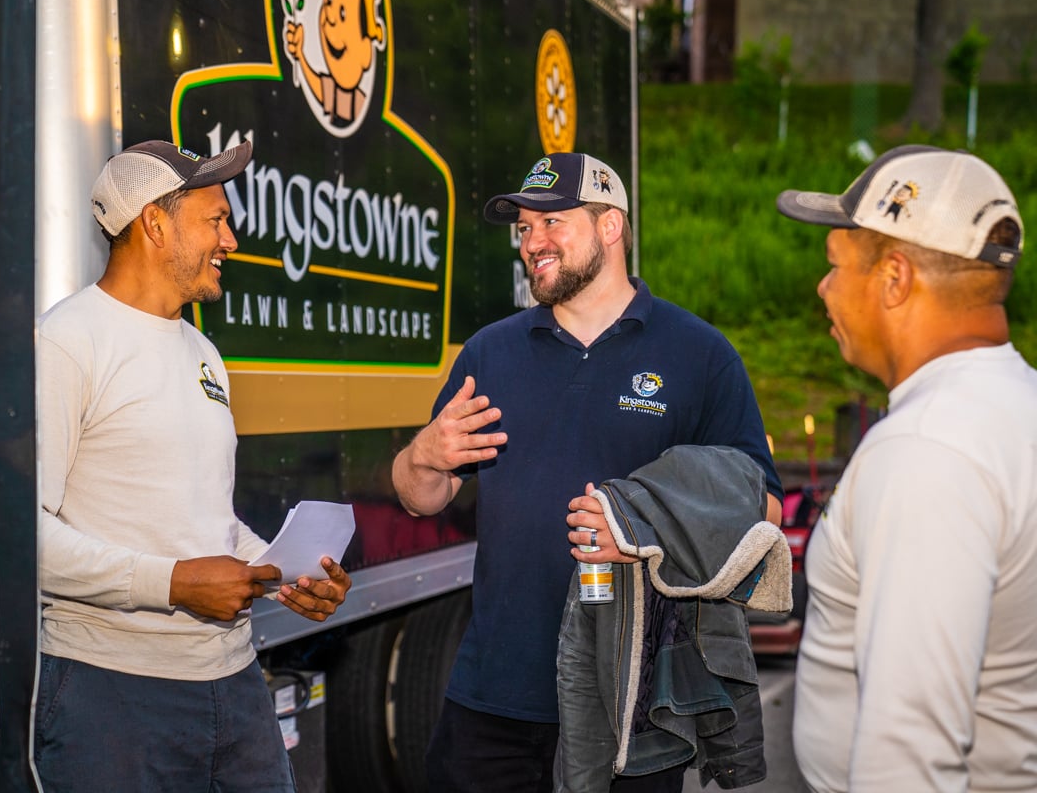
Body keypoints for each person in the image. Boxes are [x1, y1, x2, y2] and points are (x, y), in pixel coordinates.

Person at [391, 151, 783, 792]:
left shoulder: (697, 355)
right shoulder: (491, 351)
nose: (532, 242)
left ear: (610, 226)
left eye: (552, 223)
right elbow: (420, 500)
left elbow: (761, 506)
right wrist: (423, 456)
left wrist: (641, 535)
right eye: (524, 229)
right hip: (493, 694)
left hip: (632, 702)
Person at [35, 139, 352, 791]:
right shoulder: (66, 341)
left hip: (233, 685)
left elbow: (208, 519)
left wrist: (285, 572)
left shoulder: (204, 352)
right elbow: (20, 533)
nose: (231, 240)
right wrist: (173, 584)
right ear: (154, 223)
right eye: (215, 220)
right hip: (110, 694)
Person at [778, 144, 1037, 791]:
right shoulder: (1015, 405)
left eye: (835, 264)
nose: (822, 286)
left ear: (894, 278)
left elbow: (911, 753)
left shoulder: (928, 449)